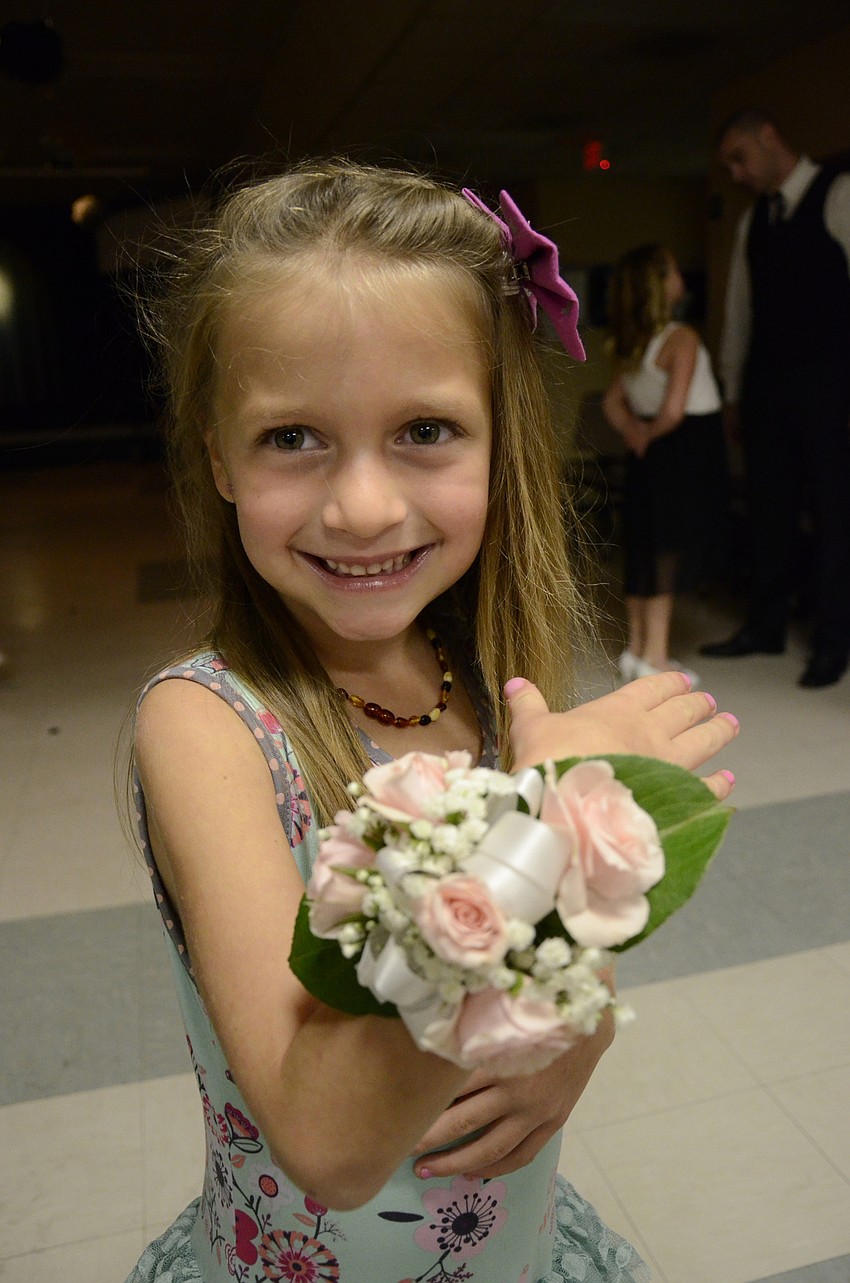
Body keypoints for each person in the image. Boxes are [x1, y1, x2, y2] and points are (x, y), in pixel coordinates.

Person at [125, 161, 738, 1283]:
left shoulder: (485, 674)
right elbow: (328, 1144)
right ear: (217, 451)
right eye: (291, 438)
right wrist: (538, 831)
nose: (362, 505)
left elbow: (557, 968)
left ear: (502, 439)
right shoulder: (207, 726)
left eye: (424, 428)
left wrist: (582, 1028)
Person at [701, 108, 850, 687]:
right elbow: (740, 312)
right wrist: (735, 391)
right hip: (768, 387)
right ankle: (763, 625)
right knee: (769, 509)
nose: (736, 174)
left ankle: (833, 642)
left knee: (835, 514)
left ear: (771, 137)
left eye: (739, 157)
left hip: (830, 385)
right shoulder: (753, 219)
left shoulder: (838, 195)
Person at [602, 244, 726, 688]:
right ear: (658, 285)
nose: (682, 280)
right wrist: (651, 434)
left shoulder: (630, 341)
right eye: (674, 272)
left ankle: (635, 649)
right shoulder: (681, 337)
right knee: (667, 549)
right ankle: (656, 656)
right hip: (684, 448)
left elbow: (613, 403)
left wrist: (635, 433)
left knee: (644, 543)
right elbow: (674, 412)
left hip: (648, 455)